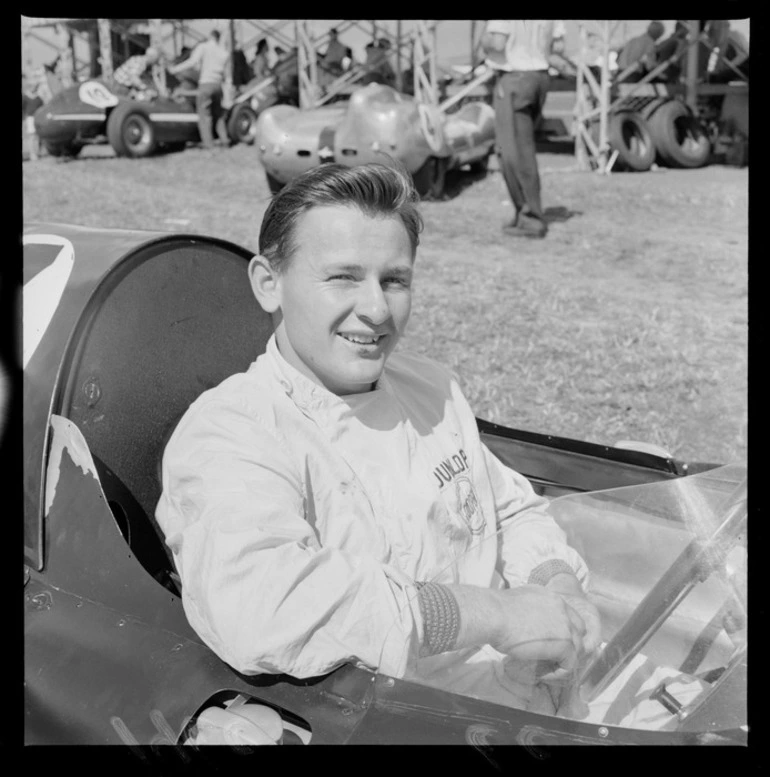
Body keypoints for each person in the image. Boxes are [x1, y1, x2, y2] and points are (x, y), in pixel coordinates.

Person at [156, 162, 600, 716]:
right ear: (269, 284)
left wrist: (557, 585)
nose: (375, 309)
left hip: (517, 689)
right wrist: (496, 615)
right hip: (392, 719)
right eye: (343, 276)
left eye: (394, 279)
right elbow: (262, 606)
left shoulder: (431, 387)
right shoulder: (232, 431)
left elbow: (505, 510)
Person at [483, 20, 566, 239]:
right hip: (539, 77)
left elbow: (498, 43)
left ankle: (530, 217)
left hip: (515, 78)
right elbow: (558, 47)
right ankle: (524, 212)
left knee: (514, 152)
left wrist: (485, 41)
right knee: (523, 147)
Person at [168, 29, 231, 150]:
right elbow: (227, 76)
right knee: (218, 115)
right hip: (218, 86)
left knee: (204, 116)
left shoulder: (204, 47)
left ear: (210, 36)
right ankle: (225, 140)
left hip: (206, 84)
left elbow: (192, 62)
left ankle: (209, 144)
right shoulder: (224, 52)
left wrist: (175, 69)